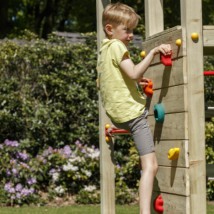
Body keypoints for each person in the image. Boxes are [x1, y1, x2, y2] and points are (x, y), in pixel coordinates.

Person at [97, 2, 171, 214]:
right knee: (151, 166)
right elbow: (134, 73)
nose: (130, 35)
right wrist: (154, 51)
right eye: (126, 30)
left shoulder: (104, 50)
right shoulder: (118, 47)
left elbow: (120, 81)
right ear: (110, 29)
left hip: (117, 114)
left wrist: (137, 85)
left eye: (132, 30)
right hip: (133, 114)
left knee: (147, 164)